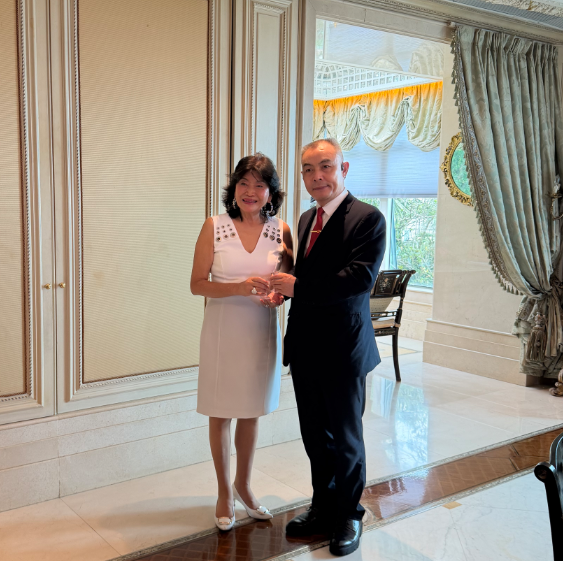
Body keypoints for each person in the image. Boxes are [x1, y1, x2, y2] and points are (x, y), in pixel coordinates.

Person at [271, 138, 385, 556]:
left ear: (344, 168)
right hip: (305, 346)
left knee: (346, 438)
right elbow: (303, 275)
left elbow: (358, 279)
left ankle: (349, 514)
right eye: (308, 169)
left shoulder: (368, 218)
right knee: (315, 436)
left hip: (343, 348)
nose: (316, 176)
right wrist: (281, 290)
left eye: (325, 166)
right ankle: (322, 506)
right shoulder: (306, 219)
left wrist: (296, 287)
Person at [191, 154, 293, 532]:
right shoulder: (214, 227)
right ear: (234, 188)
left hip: (260, 332)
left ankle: (244, 486)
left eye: (259, 185)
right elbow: (196, 284)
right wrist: (238, 287)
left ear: (271, 193)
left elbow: (287, 283)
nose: (250, 192)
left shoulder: (282, 231)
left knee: (251, 411)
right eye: (244, 183)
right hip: (222, 332)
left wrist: (277, 297)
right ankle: (223, 493)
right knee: (220, 412)